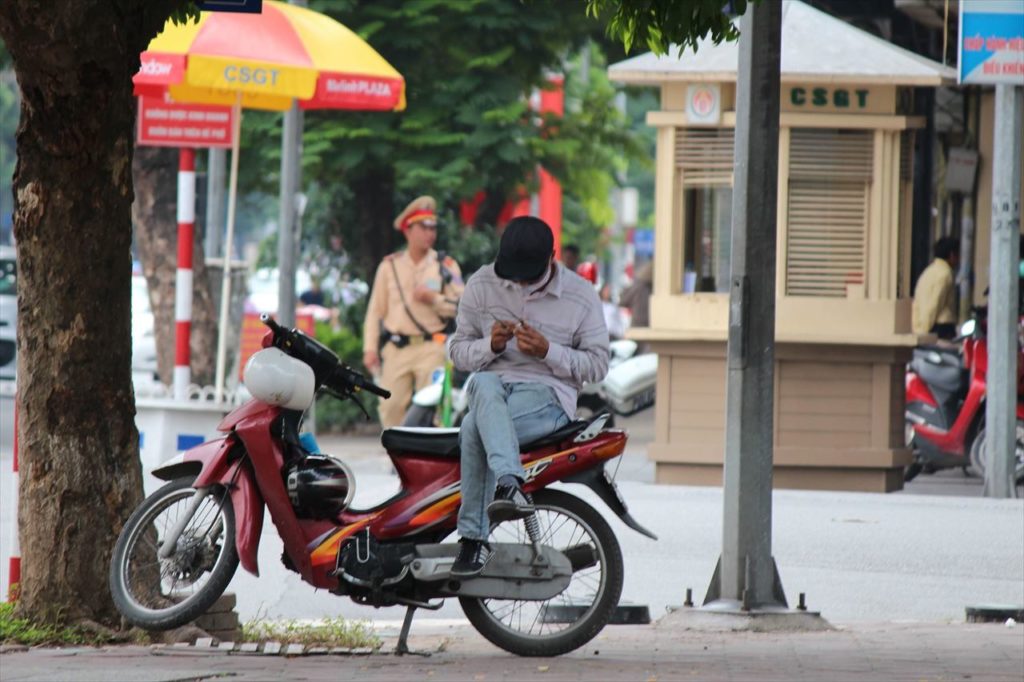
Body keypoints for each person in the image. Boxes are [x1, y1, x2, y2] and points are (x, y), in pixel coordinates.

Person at [446, 216, 609, 577]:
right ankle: (510, 483)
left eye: (528, 275)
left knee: (474, 427)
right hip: (490, 387)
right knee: (484, 385)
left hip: (547, 397)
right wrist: (491, 345)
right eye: (513, 274)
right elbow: (457, 351)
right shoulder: (482, 284)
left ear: (551, 258)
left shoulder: (580, 295)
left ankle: (473, 542)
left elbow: (598, 366)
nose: (518, 283)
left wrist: (548, 351)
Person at [363, 196, 464, 428]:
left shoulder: (446, 266)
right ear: (408, 230)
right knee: (390, 407)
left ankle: (426, 461)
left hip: (432, 347)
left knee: (431, 410)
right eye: (424, 227)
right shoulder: (390, 266)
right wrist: (370, 349)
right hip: (396, 349)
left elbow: (462, 305)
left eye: (433, 227)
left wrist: (434, 298)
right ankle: (397, 460)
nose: (430, 233)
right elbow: (374, 312)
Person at [912, 237, 960, 340]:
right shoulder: (946, 274)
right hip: (941, 329)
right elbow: (935, 303)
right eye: (958, 255)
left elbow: (917, 303)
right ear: (951, 255)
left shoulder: (927, 273)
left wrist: (918, 328)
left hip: (923, 325)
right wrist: (924, 330)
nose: (958, 260)